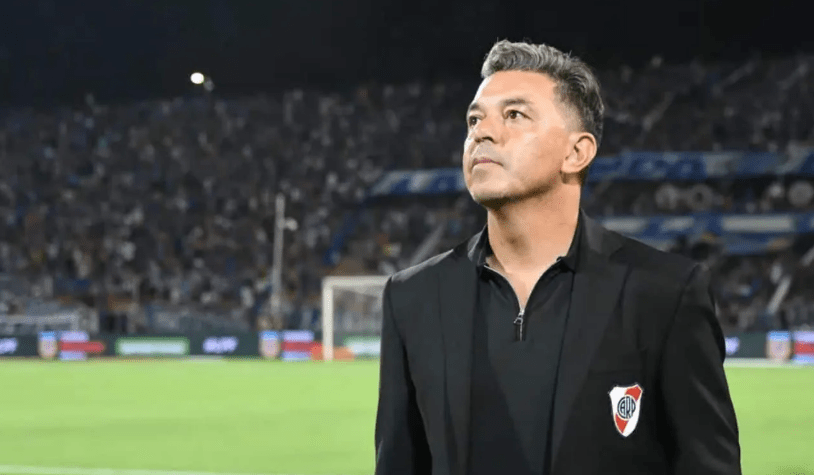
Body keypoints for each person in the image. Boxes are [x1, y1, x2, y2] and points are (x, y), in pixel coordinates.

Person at [374, 39, 741, 475]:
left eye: (514, 115)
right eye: (474, 119)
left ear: (576, 152)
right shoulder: (412, 297)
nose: (482, 132)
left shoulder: (665, 295)